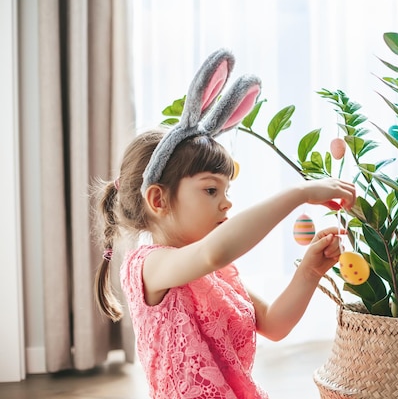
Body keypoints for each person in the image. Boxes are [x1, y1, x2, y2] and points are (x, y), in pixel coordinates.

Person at [93, 49, 356, 399]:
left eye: (227, 189)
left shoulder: (216, 275)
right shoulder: (148, 266)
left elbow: (275, 325)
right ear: (158, 200)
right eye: (210, 189)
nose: (226, 201)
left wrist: (309, 272)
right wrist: (298, 193)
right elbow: (213, 252)